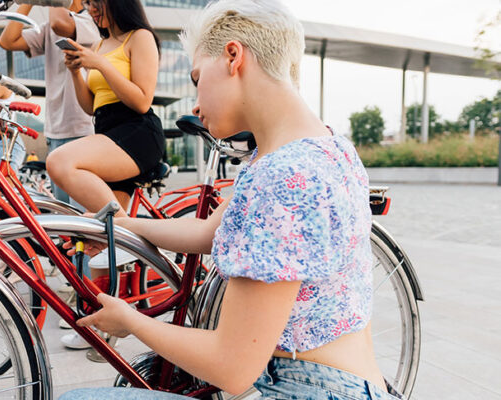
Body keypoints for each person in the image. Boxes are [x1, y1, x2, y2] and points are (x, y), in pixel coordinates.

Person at [58, 0, 401, 399]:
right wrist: (121, 225)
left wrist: (131, 321)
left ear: (233, 57)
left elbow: (231, 367)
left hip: (303, 388)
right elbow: (207, 231)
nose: (196, 104)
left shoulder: (285, 177)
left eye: (197, 78)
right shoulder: (322, 147)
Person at [48, 0, 165, 216]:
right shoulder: (100, 45)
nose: (91, 9)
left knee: (58, 161)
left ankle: (127, 226)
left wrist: (100, 64)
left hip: (136, 133)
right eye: (87, 3)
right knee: (96, 232)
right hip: (107, 132)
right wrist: (75, 72)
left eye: (96, 3)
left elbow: (142, 102)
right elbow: (91, 107)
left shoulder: (139, 37)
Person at [0, 0, 99, 209]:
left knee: (85, 222)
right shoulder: (48, 30)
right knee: (65, 215)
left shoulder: (91, 22)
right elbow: (8, 41)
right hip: (55, 132)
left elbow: (59, 24)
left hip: (84, 129)